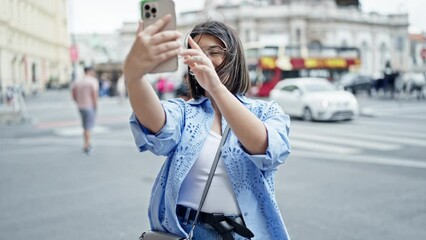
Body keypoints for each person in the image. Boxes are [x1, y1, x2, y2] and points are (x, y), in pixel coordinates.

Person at [124, 15, 291, 239]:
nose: (206, 60)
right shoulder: (184, 111)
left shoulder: (266, 112)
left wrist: (215, 86)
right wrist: (134, 75)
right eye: (198, 53)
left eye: (214, 52)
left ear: (233, 58)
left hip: (243, 233)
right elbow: (157, 124)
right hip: (188, 231)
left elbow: (267, 148)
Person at [71, 66, 99, 154]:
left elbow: (73, 94)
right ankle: (87, 145)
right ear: (90, 71)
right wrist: (95, 105)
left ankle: (86, 143)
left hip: (81, 106)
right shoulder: (93, 81)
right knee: (88, 127)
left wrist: (78, 101)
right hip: (89, 106)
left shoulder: (78, 81)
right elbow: (94, 94)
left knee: (85, 126)